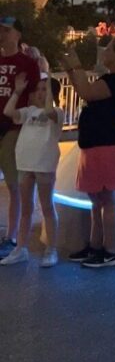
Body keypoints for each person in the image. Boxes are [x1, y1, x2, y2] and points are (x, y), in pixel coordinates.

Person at [62, 35, 115, 267]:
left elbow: (87, 93)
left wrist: (76, 66)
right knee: (96, 197)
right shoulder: (109, 78)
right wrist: (72, 71)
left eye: (110, 49)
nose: (104, 51)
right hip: (94, 143)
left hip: (108, 144)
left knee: (108, 196)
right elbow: (84, 89)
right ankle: (95, 246)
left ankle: (110, 250)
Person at [0, 76, 64, 267]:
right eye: (38, 89)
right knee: (26, 208)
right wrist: (18, 91)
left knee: (46, 207)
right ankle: (20, 248)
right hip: (25, 164)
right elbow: (8, 111)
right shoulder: (29, 112)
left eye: (45, 89)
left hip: (44, 165)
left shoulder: (57, 113)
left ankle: (51, 249)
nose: (39, 92)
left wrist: (49, 93)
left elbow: (50, 111)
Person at [0, 17, 41, 258]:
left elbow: (37, 94)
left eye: (6, 30)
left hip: (13, 130)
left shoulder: (27, 64)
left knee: (14, 185)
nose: (2, 35)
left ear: (18, 34)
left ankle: (11, 236)